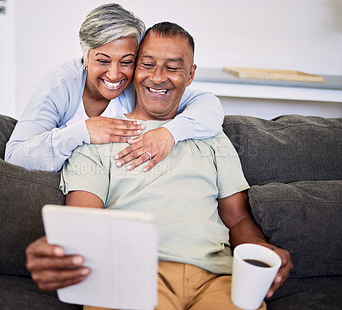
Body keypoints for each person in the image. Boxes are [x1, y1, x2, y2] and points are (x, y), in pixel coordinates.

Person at [26, 22, 293, 310]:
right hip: (132, 276)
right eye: (148, 64)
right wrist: (60, 250)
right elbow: (83, 219)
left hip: (218, 278)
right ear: (134, 69)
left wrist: (259, 249)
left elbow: (238, 218)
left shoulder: (211, 134)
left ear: (190, 75)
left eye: (172, 67)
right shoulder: (98, 137)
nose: (157, 77)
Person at [5, 3, 224, 172]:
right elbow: (15, 156)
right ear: (85, 57)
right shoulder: (61, 86)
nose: (114, 74)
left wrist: (170, 133)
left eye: (127, 61)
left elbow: (208, 106)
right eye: (102, 60)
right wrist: (84, 130)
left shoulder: (141, 86)